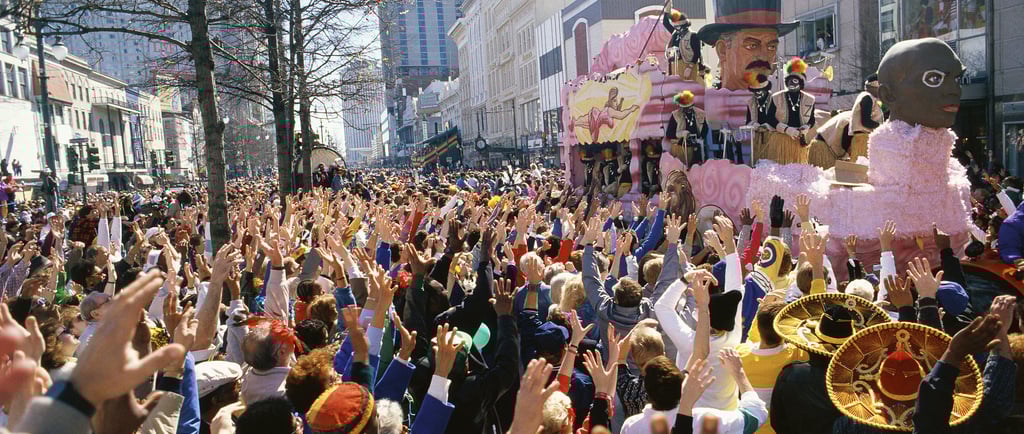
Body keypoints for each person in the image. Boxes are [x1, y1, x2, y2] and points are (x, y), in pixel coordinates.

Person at [697, 0, 798, 91]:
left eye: (771, 47)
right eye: (752, 46)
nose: (764, 57)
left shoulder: (781, 103)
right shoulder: (705, 105)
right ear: (722, 50)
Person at [757, 57, 815, 166]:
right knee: (781, 169)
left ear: (801, 83)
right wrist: (786, 129)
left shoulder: (810, 99)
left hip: (799, 141)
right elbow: (769, 118)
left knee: (797, 169)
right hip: (781, 141)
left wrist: (806, 127)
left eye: (795, 81)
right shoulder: (776, 97)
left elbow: (812, 119)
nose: (791, 84)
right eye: (789, 81)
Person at [665, 91, 708, 166]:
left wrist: (700, 138)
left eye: (689, 106)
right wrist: (681, 134)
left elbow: (705, 129)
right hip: (680, 149)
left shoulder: (700, 114)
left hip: (696, 148)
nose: (688, 109)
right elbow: (669, 134)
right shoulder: (675, 115)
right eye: (685, 107)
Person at [662, 7, 704, 81]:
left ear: (684, 26)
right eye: (675, 27)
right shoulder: (675, 34)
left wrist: (690, 67)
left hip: (687, 65)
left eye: (678, 27)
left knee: (688, 85)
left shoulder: (693, 36)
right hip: (674, 64)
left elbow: (697, 53)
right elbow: (665, 23)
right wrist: (667, 9)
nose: (676, 29)